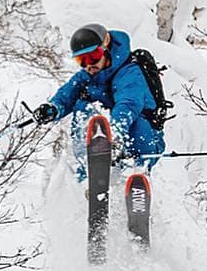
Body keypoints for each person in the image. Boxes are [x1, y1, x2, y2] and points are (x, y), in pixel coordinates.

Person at [33, 23, 165, 178]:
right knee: (83, 109)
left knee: (138, 124)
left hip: (139, 141)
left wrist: (114, 134)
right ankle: (89, 172)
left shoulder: (130, 73)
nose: (89, 64)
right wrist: (53, 108)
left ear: (106, 49)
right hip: (110, 141)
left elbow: (128, 105)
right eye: (81, 60)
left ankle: (137, 175)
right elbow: (67, 95)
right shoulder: (88, 76)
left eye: (93, 56)